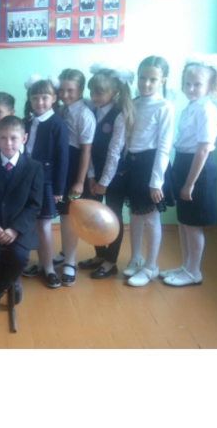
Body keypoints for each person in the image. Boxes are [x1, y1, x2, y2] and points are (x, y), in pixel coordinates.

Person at [162, 54, 217, 287]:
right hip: (184, 164)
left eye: (197, 84)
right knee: (183, 221)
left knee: (192, 224)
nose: (191, 88)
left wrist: (189, 184)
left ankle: (194, 272)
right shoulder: (191, 107)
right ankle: (186, 266)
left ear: (211, 86)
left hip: (198, 170)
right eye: (188, 83)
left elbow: (202, 150)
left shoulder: (207, 111)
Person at [0, 115, 43, 307]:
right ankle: (12, 280)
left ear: (24, 138)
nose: (8, 143)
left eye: (14, 138)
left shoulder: (34, 167)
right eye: (3, 138)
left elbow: (34, 205)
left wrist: (15, 229)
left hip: (19, 226)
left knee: (20, 257)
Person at [77, 63, 135, 278]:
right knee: (95, 217)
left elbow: (114, 152)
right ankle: (100, 255)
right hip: (95, 175)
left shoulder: (119, 115)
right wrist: (92, 177)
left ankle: (111, 261)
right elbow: (89, 149)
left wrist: (104, 182)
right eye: (91, 92)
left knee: (113, 216)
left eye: (99, 93)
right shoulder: (91, 111)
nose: (94, 96)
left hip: (115, 177)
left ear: (115, 92)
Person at [123, 56, 175, 287]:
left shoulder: (164, 106)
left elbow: (164, 146)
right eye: (142, 77)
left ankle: (151, 266)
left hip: (151, 165)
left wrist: (156, 182)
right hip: (133, 165)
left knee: (151, 218)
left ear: (162, 80)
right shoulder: (133, 103)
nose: (146, 83)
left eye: (153, 79)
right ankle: (136, 258)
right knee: (134, 215)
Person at [21, 76, 69, 288]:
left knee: (45, 226)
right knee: (34, 224)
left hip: (47, 182)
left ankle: (49, 269)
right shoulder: (27, 122)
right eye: (35, 98)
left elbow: (63, 158)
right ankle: (41, 264)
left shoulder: (57, 124)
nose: (39, 102)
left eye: (44, 97)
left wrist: (59, 189)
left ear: (54, 98)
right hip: (28, 180)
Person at [53, 69, 96, 286]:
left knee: (71, 216)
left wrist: (79, 181)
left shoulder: (84, 114)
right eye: (61, 90)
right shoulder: (62, 110)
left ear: (80, 90)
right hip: (62, 165)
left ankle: (70, 262)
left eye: (70, 90)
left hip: (75, 167)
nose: (64, 94)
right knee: (63, 213)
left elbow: (86, 151)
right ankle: (64, 252)